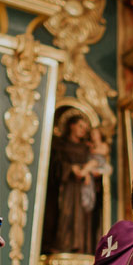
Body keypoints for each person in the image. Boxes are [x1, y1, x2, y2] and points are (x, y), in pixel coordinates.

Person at [48, 108, 102, 254]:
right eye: (80, 126)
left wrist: (89, 174)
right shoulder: (60, 145)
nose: (83, 131)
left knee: (83, 220)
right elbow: (54, 166)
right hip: (66, 189)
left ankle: (81, 248)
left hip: (83, 189)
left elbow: (98, 166)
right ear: (71, 126)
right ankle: (62, 246)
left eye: (85, 128)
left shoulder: (86, 149)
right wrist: (71, 169)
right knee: (66, 216)